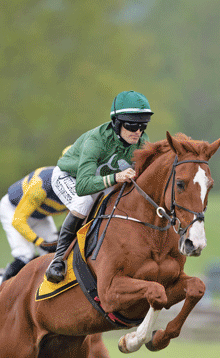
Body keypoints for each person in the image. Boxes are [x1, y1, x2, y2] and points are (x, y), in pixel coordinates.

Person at [44, 90, 153, 283]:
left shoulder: (141, 143)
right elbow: (84, 186)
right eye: (132, 125)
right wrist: (116, 177)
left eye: (142, 125)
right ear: (117, 123)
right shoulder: (96, 141)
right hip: (70, 177)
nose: (138, 131)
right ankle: (57, 261)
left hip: (100, 178)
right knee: (84, 202)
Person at [0, 166, 67, 281]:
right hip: (13, 210)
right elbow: (18, 221)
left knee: (55, 255)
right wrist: (40, 242)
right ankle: (0, 293)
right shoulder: (41, 184)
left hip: (40, 215)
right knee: (25, 255)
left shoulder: (81, 188)